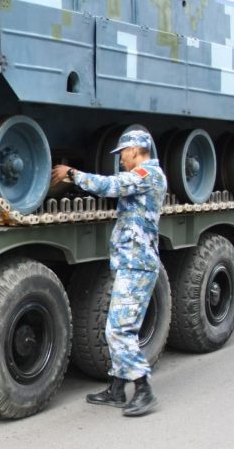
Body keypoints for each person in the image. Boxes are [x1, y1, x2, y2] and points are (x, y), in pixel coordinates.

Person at [50, 128, 167, 417]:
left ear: (134, 151)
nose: (121, 160)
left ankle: (143, 390)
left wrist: (73, 174)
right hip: (131, 262)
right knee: (115, 326)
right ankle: (116, 389)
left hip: (138, 265)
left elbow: (111, 186)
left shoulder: (148, 175)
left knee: (119, 329)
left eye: (123, 155)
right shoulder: (145, 176)